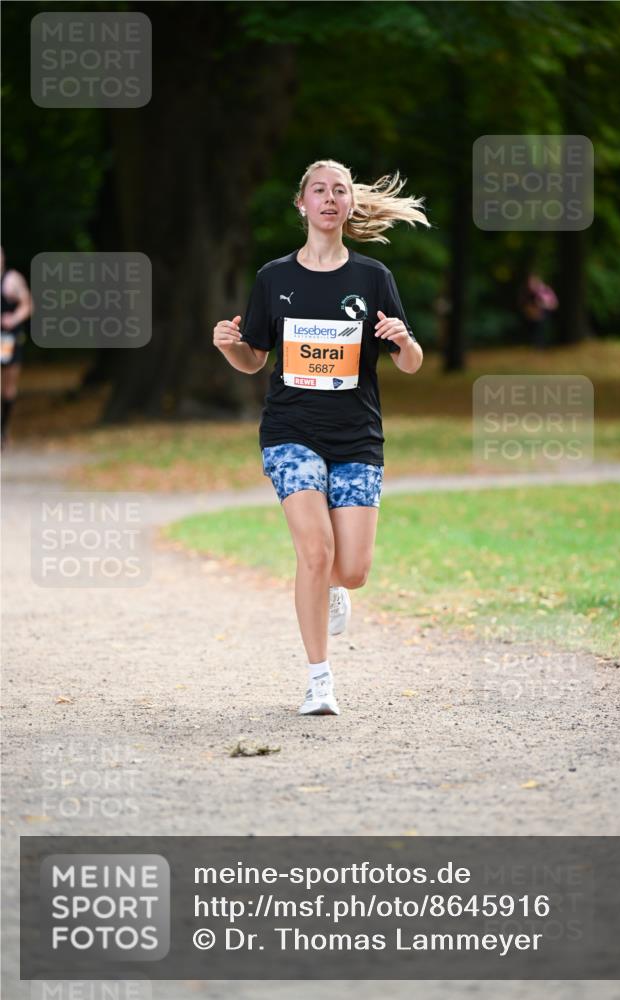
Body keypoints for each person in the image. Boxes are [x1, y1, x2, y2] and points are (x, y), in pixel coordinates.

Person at [213, 159, 430, 717]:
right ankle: (319, 679)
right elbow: (253, 357)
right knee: (315, 550)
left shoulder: (373, 278)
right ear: (301, 204)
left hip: (357, 434)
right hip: (290, 431)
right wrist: (229, 345)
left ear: (350, 205)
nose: (330, 198)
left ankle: (329, 584)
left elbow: (410, 363)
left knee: (351, 569)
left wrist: (404, 340)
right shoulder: (274, 279)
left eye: (340, 191)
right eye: (319, 190)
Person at [1, 247, 33, 448]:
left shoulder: (12, 281)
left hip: (8, 340)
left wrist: (13, 319)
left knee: (8, 387)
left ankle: (3, 429)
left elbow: (28, 305)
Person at [518, 272, 558, 349]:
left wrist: (543, 305)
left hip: (545, 314)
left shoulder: (545, 290)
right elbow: (523, 305)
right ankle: (536, 345)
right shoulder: (527, 293)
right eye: (530, 282)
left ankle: (543, 345)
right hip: (532, 316)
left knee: (543, 330)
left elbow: (554, 303)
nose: (531, 284)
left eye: (533, 281)